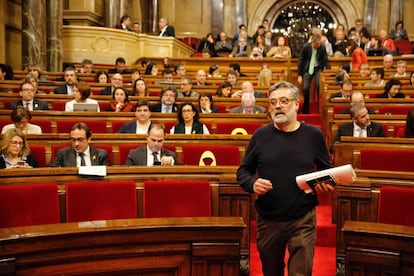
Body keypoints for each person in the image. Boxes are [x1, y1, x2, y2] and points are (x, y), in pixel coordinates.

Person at [237, 81, 332, 275]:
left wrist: (324, 183)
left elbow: (326, 171)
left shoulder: (313, 135)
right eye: (273, 102)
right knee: (272, 271)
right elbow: (243, 172)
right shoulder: (260, 136)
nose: (278, 106)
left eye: (284, 101)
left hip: (302, 218)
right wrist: (253, 183)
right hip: (269, 219)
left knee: (301, 272)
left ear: (297, 104)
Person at [297, 34, 330, 114]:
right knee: (305, 88)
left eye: (319, 43)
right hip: (308, 69)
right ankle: (306, 108)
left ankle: (320, 107)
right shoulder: (306, 47)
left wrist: (329, 71)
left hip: (318, 68)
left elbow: (325, 59)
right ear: (313, 42)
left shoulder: (322, 47)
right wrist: (299, 75)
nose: (318, 45)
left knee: (320, 86)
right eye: (316, 44)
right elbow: (301, 60)